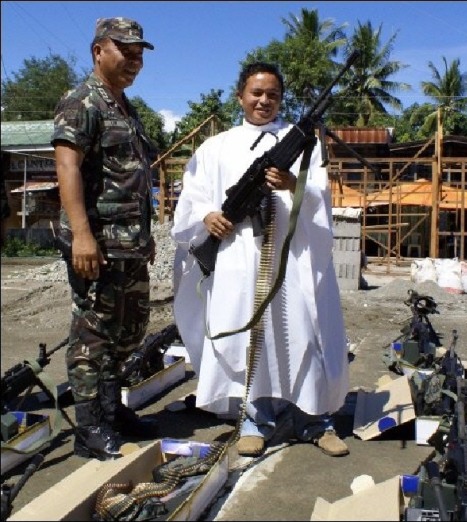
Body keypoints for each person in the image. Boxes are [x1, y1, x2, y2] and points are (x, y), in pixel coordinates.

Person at [171, 62, 350, 458]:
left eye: (272, 94)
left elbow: (320, 196)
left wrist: (293, 184)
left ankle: (314, 420)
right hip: (238, 257)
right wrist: (208, 216)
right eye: (256, 93)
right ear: (240, 96)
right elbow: (193, 195)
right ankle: (255, 420)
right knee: (248, 337)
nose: (264, 101)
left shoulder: (302, 141)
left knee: (304, 333)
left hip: (291, 257)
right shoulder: (217, 146)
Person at [51, 17, 158, 460]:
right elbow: (68, 168)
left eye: (139, 53)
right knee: (93, 333)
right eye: (125, 50)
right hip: (97, 241)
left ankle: (112, 411)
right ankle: (90, 427)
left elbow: (133, 180)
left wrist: (146, 235)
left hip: (129, 243)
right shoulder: (82, 102)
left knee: (129, 331)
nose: (134, 59)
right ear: (99, 50)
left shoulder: (124, 107)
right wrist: (81, 234)